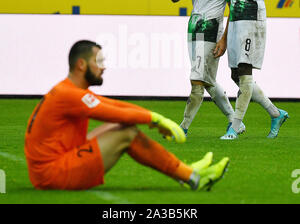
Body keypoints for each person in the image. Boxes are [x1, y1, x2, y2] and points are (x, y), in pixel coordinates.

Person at [24, 40, 230, 191]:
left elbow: (113, 105)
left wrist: (153, 117)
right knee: (125, 133)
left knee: (123, 128)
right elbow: (111, 112)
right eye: (99, 61)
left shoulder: (68, 90)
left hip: (51, 167)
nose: (104, 67)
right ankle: (193, 177)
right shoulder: (69, 94)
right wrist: (156, 119)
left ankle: (185, 171)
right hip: (52, 174)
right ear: (81, 65)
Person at [195, 0, 290, 140]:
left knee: (245, 71)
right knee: (237, 75)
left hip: (253, 15)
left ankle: (235, 126)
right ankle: (276, 114)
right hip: (236, 17)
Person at [161, 0, 246, 137]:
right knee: (207, 79)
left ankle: (182, 128)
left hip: (211, 30)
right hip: (193, 28)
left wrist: (224, 39)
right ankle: (235, 121)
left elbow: (233, 8)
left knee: (197, 81)